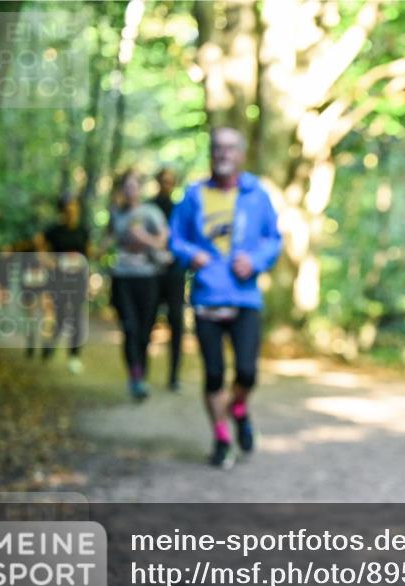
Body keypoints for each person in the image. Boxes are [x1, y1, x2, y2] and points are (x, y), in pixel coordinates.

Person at [169, 127, 281, 469]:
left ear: (241, 154)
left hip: (245, 297)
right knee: (214, 374)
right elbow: (176, 239)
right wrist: (192, 256)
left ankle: (238, 408)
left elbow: (273, 239)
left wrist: (257, 261)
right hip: (207, 295)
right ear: (211, 153)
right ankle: (220, 437)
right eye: (218, 148)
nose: (223, 154)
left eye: (230, 148)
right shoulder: (193, 195)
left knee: (247, 373)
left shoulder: (256, 194)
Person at [108, 169, 170, 401]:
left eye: (134, 186)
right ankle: (135, 377)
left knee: (145, 330)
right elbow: (109, 238)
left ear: (140, 189)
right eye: (127, 186)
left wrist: (144, 238)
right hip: (122, 277)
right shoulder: (116, 213)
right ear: (122, 189)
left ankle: (141, 373)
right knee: (130, 327)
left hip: (148, 277)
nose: (130, 190)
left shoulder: (151, 212)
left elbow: (163, 239)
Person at [40, 193, 90, 374]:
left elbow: (88, 254)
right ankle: (49, 344)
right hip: (57, 280)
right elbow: (41, 251)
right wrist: (50, 262)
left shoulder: (83, 230)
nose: (71, 211)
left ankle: (74, 356)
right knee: (59, 317)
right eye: (67, 207)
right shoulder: (53, 231)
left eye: (74, 206)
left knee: (76, 317)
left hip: (77, 280)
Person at [151, 167, 186, 392]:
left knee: (176, 323)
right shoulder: (149, 207)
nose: (167, 184)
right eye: (163, 180)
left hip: (175, 273)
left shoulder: (180, 209)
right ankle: (141, 373)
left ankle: (174, 376)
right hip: (152, 273)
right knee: (146, 323)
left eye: (170, 180)